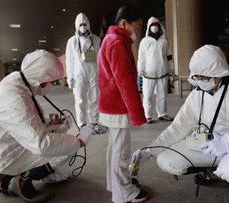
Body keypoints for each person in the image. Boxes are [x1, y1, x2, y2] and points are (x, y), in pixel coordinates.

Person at [130, 45, 229, 202]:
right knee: (166, 159)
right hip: (208, 144)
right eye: (197, 78)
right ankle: (213, 168)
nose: (201, 82)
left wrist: (228, 142)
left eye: (205, 78)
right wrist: (151, 149)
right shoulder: (197, 94)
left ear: (219, 72)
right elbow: (179, 126)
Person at [0, 50, 95, 202]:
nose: (51, 86)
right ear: (41, 79)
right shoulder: (13, 98)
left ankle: (7, 174)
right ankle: (22, 181)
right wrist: (79, 141)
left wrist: (55, 122)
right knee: (64, 149)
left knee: (61, 164)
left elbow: (28, 120)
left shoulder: (19, 82)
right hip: (4, 152)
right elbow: (42, 144)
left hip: (7, 143)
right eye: (51, 82)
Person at [98, 5, 149, 203]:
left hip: (111, 103)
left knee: (115, 148)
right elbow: (125, 81)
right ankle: (123, 192)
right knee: (121, 152)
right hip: (117, 105)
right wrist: (136, 113)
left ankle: (115, 184)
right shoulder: (117, 42)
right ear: (124, 23)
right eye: (136, 28)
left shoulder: (112, 40)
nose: (138, 32)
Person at [65, 12, 106, 134]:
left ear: (88, 24)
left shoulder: (96, 39)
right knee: (80, 99)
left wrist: (103, 75)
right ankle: (82, 124)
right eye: (81, 24)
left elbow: (101, 58)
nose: (83, 26)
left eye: (85, 24)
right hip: (79, 74)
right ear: (77, 25)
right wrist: (70, 77)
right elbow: (69, 60)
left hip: (94, 72)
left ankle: (94, 122)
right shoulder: (72, 41)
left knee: (94, 98)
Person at [137, 16, 174, 124]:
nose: (154, 27)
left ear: (159, 26)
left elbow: (169, 57)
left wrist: (172, 69)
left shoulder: (164, 42)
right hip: (148, 74)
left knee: (162, 95)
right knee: (148, 95)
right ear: (149, 27)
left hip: (163, 73)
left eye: (156, 25)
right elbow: (141, 57)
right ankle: (147, 115)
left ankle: (162, 114)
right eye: (152, 26)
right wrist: (140, 69)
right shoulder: (144, 41)